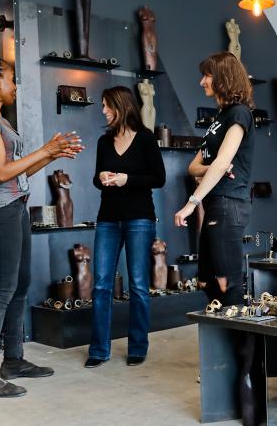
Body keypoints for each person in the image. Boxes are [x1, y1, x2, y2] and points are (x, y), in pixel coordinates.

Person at [0, 45, 84, 398]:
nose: (15, 86)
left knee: (20, 284)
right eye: (11, 79)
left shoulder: (0, 120)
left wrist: (51, 152)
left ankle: (13, 360)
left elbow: (18, 172)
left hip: (14, 205)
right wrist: (45, 149)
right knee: (0, 291)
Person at [85, 86, 166, 369]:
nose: (103, 110)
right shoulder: (103, 142)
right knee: (101, 285)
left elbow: (159, 178)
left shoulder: (145, 139)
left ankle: (138, 346)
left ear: (122, 107)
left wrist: (126, 180)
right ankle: (98, 349)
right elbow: (96, 179)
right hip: (107, 218)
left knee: (139, 286)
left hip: (139, 219)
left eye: (107, 105)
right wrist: (102, 177)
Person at [174, 51, 255, 307]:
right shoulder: (218, 119)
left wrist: (191, 203)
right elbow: (193, 167)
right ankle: (223, 344)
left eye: (207, 75)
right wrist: (215, 167)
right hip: (214, 205)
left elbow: (221, 163)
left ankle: (243, 346)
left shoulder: (239, 114)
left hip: (229, 203)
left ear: (223, 77)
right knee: (207, 281)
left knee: (225, 281)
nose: (202, 82)